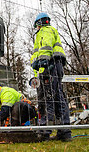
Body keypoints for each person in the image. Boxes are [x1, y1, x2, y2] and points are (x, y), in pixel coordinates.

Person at [30, 12, 72, 141]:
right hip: (55, 65)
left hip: (49, 66)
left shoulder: (45, 31)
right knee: (58, 98)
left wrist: (43, 61)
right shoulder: (52, 30)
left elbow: (46, 46)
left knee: (47, 98)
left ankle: (44, 131)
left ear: (38, 23)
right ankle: (64, 131)